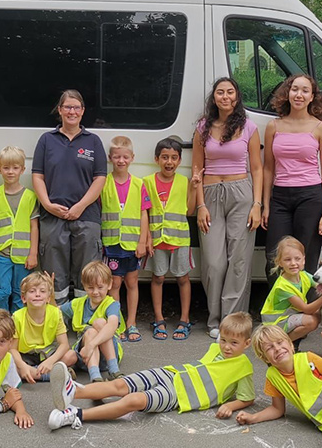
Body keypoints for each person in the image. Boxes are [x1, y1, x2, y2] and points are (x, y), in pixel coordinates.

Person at [47, 312, 255, 430]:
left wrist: (230, 405)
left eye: (234, 343)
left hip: (179, 396)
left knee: (134, 401)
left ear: (247, 344)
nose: (226, 346)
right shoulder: (214, 347)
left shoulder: (244, 368)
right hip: (170, 373)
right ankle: (74, 391)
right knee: (121, 384)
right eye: (224, 340)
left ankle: (75, 414)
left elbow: (247, 398)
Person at [192, 77, 263, 338]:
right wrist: (200, 204)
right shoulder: (202, 128)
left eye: (230, 92)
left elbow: (256, 168)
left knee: (239, 261)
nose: (225, 96)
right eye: (220, 92)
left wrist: (257, 203)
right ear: (214, 98)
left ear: (236, 97)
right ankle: (213, 319)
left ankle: (231, 321)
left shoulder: (249, 128)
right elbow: (196, 169)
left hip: (241, 194)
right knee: (214, 262)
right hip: (210, 194)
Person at [32, 90, 106, 304]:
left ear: (82, 111)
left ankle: (85, 321)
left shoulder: (93, 141)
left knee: (88, 275)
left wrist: (80, 206)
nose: (72, 111)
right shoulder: (47, 140)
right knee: (54, 276)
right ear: (60, 110)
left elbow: (100, 178)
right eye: (67, 107)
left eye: (76, 107)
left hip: (86, 216)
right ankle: (58, 323)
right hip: (53, 217)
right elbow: (38, 176)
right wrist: (47, 204)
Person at [261, 73, 322, 282]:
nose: (299, 94)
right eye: (294, 89)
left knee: (306, 257)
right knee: (275, 257)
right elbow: (268, 169)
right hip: (281, 197)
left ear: (312, 97)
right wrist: (266, 205)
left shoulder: (320, 128)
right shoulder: (273, 126)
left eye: (305, 90)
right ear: (287, 93)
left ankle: (305, 309)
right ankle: (278, 309)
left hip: (310, 196)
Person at [142, 138, 197, 341]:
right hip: (156, 240)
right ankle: (159, 319)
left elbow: (190, 210)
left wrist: (194, 189)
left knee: (183, 277)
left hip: (180, 238)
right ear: (157, 159)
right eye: (165, 157)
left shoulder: (184, 182)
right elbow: (144, 212)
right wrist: (146, 237)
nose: (169, 162)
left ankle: (184, 319)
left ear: (180, 160)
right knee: (158, 278)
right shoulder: (147, 182)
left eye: (174, 158)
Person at [100, 136, 151, 343]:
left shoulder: (139, 184)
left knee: (132, 282)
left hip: (132, 246)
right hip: (111, 245)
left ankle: (131, 322)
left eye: (125, 157)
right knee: (114, 284)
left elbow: (143, 214)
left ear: (132, 158)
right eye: (117, 157)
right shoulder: (103, 183)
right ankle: (116, 323)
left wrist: (142, 241)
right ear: (110, 158)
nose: (121, 161)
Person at [0, 146, 39, 312]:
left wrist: (33, 254)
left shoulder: (30, 196)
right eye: (6, 168)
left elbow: (34, 227)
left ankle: (18, 327)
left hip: (24, 255)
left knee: (22, 293)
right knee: (0, 292)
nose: (10, 172)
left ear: (22, 169)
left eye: (15, 167)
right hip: (1, 254)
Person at [60, 261, 125, 382]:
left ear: (109, 284)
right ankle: (93, 377)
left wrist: (91, 345)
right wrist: (48, 291)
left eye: (100, 287)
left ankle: (112, 370)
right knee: (67, 357)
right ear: (84, 286)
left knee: (99, 323)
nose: (95, 292)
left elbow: (112, 325)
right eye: (90, 287)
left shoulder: (112, 304)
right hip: (85, 355)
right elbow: (55, 313)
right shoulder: (77, 303)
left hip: (107, 355)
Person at [259, 236, 322, 343]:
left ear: (303, 260)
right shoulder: (282, 286)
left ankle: (288, 341)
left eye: (297, 259)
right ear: (279, 262)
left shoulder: (304, 275)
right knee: (311, 321)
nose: (293, 263)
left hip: (288, 315)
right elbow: (307, 309)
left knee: (319, 313)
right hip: (275, 322)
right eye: (287, 260)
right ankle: (282, 343)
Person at [11, 272, 76, 383]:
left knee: (72, 356)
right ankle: (51, 375)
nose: (37, 294)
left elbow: (64, 345)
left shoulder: (55, 313)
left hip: (48, 353)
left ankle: (33, 374)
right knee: (9, 363)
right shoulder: (17, 317)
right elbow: (12, 349)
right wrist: (22, 365)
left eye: (42, 291)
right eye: (32, 291)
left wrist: (50, 361)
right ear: (23, 298)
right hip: (26, 355)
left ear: (48, 298)